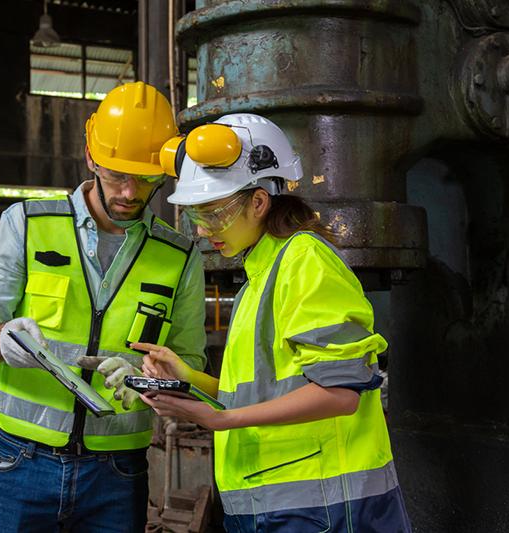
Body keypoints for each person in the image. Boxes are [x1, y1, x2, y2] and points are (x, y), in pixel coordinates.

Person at [136, 113, 411, 532]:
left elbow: (341, 394)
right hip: (271, 504)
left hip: (323, 508)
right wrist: (187, 378)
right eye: (197, 217)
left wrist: (220, 421)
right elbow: (262, 394)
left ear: (259, 202)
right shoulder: (258, 277)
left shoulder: (303, 261)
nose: (206, 229)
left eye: (214, 213)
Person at [0, 81, 207, 533]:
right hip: (22, 461)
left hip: (119, 473)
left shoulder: (180, 256)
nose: (131, 192)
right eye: (117, 175)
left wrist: (144, 377)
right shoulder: (27, 224)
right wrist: (3, 340)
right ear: (91, 157)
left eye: (147, 178)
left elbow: (189, 362)